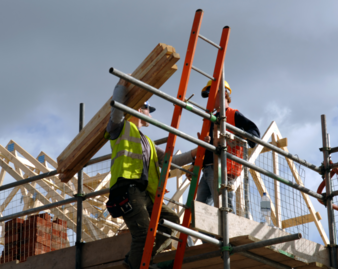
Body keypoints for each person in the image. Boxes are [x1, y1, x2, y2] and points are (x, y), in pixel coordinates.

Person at [106, 78, 198, 269]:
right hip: (127, 189)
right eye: (148, 109)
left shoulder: (147, 142)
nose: (150, 114)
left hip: (145, 194)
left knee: (172, 221)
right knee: (144, 234)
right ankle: (138, 265)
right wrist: (121, 86)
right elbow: (116, 111)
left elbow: (170, 162)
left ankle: (136, 261)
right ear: (139, 108)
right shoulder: (120, 128)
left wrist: (195, 153)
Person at [189, 79, 260, 212]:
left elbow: (254, 133)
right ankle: (209, 234)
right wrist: (195, 163)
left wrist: (239, 137)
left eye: (212, 95)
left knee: (224, 207)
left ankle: (227, 231)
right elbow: (207, 146)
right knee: (200, 210)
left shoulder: (233, 115)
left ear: (223, 94)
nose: (210, 99)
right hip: (208, 169)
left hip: (224, 169)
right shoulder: (211, 119)